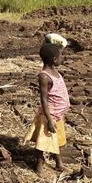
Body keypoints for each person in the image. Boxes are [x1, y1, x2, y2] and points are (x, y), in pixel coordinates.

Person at [24, 43, 70, 174]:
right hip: (49, 116)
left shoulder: (55, 72)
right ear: (54, 59)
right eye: (61, 56)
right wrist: (49, 119)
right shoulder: (44, 77)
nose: (62, 59)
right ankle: (39, 165)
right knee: (43, 142)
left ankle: (59, 164)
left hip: (58, 115)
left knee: (58, 140)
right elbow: (43, 99)